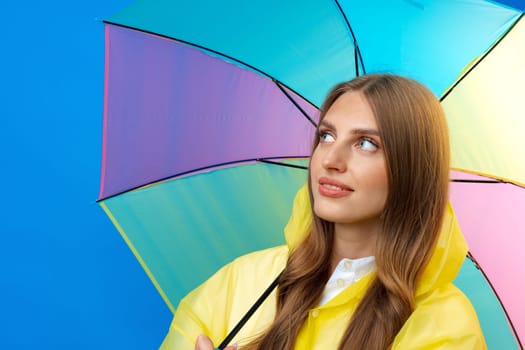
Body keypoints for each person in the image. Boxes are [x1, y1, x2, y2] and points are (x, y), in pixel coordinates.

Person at [160, 74, 487, 349]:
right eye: (326, 136)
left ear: (411, 171)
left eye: (366, 144)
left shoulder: (445, 325)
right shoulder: (243, 281)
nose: (330, 159)